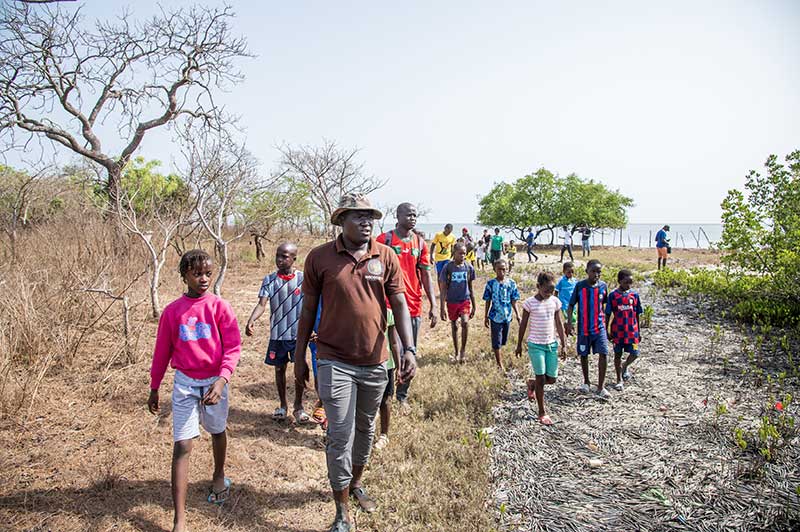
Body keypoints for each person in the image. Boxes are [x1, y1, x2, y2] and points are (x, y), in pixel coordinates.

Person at [295, 194, 416, 532]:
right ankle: (341, 509)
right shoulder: (319, 257)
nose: (366, 222)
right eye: (358, 216)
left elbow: (399, 304)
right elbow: (308, 309)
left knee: (366, 430)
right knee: (339, 433)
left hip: (375, 361)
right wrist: (300, 356)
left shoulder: (386, 255)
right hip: (333, 359)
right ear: (341, 220)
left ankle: (355, 483)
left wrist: (409, 349)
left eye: (370, 217)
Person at [147, 249, 242, 532]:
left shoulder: (220, 307)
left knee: (217, 431)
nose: (204, 279)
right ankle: (179, 519)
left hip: (214, 383)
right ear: (184, 275)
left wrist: (222, 380)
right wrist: (154, 386)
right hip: (185, 384)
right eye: (197, 274)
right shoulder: (172, 312)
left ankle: (219, 474)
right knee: (182, 444)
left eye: (208, 274)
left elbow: (233, 348)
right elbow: (162, 352)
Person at [377, 203, 438, 413]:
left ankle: (402, 396)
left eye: (415, 215)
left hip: (412, 308)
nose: (412, 218)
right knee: (387, 353)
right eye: (408, 214)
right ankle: (385, 395)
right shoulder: (383, 240)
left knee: (409, 352)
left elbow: (426, 275)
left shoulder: (420, 243)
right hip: (386, 307)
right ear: (398, 216)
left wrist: (434, 304)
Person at [245, 242, 308, 423]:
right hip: (278, 334)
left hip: (297, 336)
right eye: (277, 256)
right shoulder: (270, 280)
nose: (279, 260)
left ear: (294, 259)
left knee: (299, 371)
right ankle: (282, 405)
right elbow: (261, 304)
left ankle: (298, 406)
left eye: (284, 256)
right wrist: (251, 320)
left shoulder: (303, 279)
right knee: (279, 369)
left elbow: (311, 306)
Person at [516, 271, 567, 425]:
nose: (549, 294)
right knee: (541, 377)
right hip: (535, 345)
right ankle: (542, 412)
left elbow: (559, 323)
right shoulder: (529, 303)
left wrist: (564, 344)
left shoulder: (555, 302)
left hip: (551, 345)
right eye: (546, 290)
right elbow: (523, 324)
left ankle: (532, 384)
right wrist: (519, 344)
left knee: (552, 379)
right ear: (538, 286)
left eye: (552, 290)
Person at [565, 259, 610, 398]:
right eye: (593, 271)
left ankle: (601, 387)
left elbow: (605, 306)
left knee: (603, 353)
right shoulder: (580, 286)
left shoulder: (603, 286)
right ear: (587, 272)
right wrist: (569, 322)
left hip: (599, 327)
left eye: (599, 272)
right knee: (584, 354)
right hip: (584, 328)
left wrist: (608, 325)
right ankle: (586, 382)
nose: (596, 274)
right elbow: (571, 305)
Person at [605, 269, 643, 391]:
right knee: (617, 354)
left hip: (632, 331)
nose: (628, 285)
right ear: (620, 281)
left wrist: (639, 331)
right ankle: (618, 379)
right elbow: (608, 314)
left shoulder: (634, 296)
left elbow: (637, 314)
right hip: (618, 332)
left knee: (635, 353)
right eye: (626, 282)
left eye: (630, 282)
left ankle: (625, 366)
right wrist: (607, 330)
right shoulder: (613, 296)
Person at [439, 243, 476, 363]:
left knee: (465, 322)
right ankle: (456, 352)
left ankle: (463, 351)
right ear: (454, 253)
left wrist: (474, 306)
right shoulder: (448, 268)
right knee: (454, 325)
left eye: (464, 253)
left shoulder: (468, 267)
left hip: (464, 300)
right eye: (460, 253)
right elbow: (443, 289)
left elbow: (471, 287)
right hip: (452, 301)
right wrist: (442, 308)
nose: (462, 256)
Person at [482, 258, 520, 371]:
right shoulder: (491, 284)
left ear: (507, 269)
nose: (502, 272)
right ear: (494, 269)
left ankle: (497, 350)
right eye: (499, 269)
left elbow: (514, 300)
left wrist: (518, 315)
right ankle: (499, 364)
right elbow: (488, 300)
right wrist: (486, 316)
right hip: (495, 316)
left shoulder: (511, 283)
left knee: (503, 340)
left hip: (507, 316)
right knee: (497, 339)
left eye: (504, 269)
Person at [374, 309, 401, 450]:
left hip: (387, 364)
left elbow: (394, 342)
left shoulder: (389, 313)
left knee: (386, 400)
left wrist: (398, 366)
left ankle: (384, 435)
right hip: (368, 363)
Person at [555, 262, 577, 331]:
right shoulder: (561, 281)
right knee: (568, 317)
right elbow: (556, 291)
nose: (571, 274)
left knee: (574, 318)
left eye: (572, 272)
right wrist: (556, 301)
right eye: (569, 272)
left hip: (572, 303)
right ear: (564, 272)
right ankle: (568, 330)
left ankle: (570, 328)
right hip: (564, 303)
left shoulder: (575, 281)